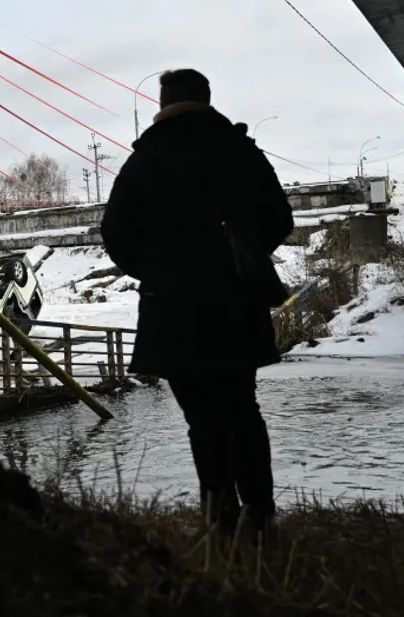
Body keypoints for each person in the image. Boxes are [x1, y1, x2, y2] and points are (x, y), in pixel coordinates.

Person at [101, 68, 293, 538]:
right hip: (235, 299)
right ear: (206, 99)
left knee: (201, 417)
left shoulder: (145, 158)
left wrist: (158, 270)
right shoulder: (238, 150)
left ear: (163, 105)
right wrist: (242, 254)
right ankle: (260, 514)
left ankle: (218, 517)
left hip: (172, 305)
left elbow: (115, 234)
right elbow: (280, 218)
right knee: (242, 407)